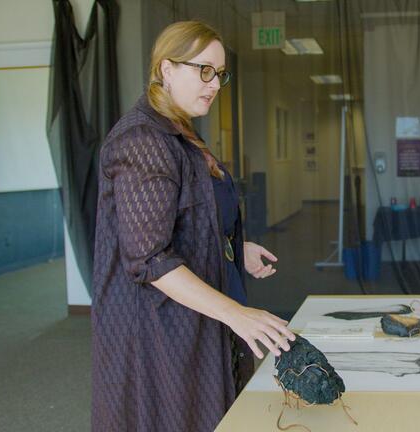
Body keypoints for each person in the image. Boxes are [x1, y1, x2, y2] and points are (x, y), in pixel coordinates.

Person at [91, 20, 295, 432]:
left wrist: (236, 247)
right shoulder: (142, 141)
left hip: (192, 318)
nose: (214, 83)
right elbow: (148, 258)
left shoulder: (177, 131)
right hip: (156, 331)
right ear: (167, 69)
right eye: (204, 69)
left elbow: (187, 216)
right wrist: (236, 314)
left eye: (219, 73)